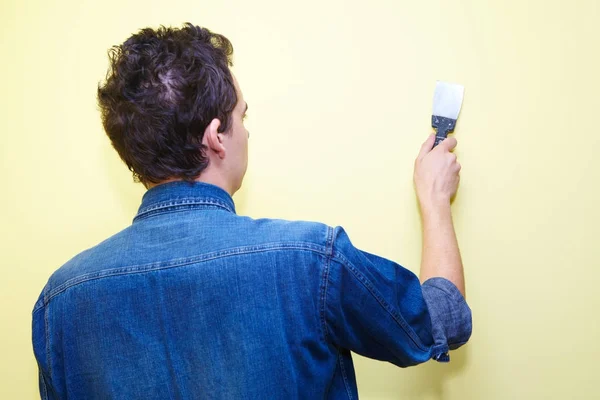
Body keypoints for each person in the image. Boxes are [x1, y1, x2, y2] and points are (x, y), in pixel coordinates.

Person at [31, 23, 471, 399]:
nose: (247, 132)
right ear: (217, 136)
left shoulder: (60, 304)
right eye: (243, 117)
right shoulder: (311, 260)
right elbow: (443, 320)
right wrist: (434, 202)